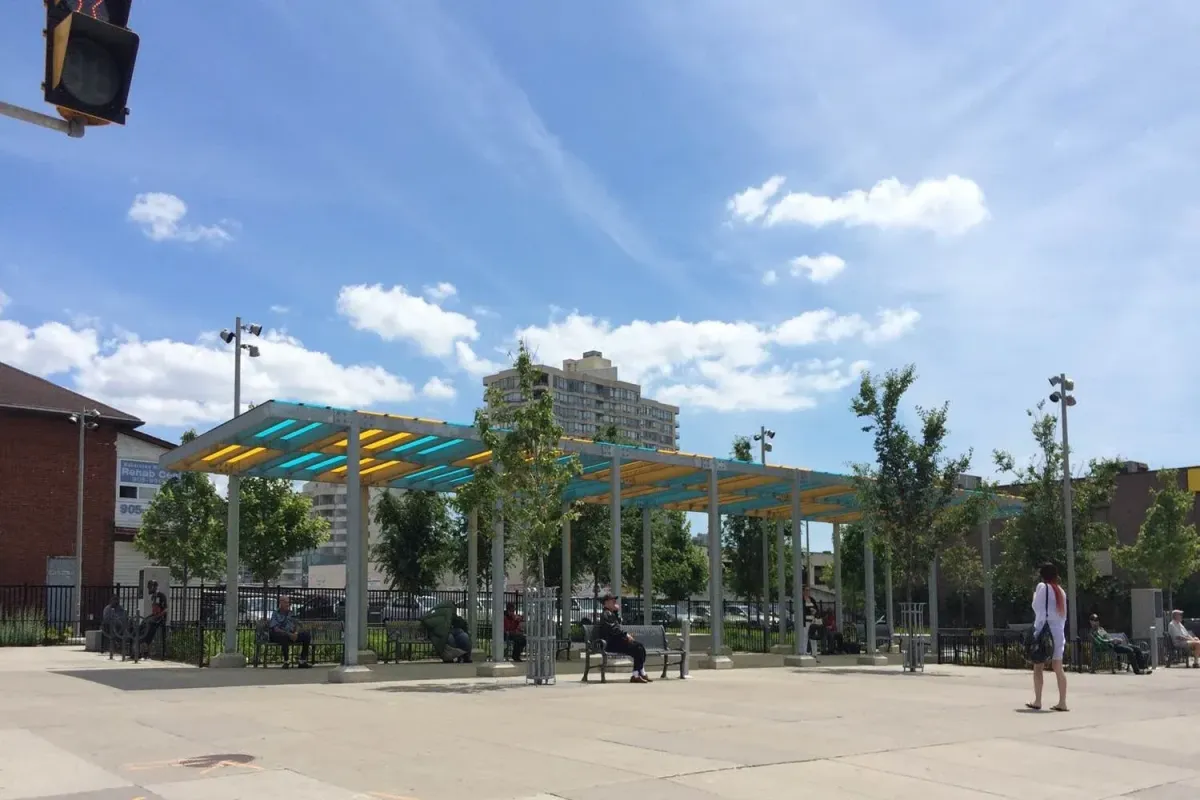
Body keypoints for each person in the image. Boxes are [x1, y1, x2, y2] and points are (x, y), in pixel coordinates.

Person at [1027, 564, 1068, 712]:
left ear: (1042, 575)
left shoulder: (1042, 587)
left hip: (1044, 630)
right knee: (1058, 667)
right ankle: (1062, 702)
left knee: (1038, 665)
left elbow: (1036, 607)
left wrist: (1034, 596)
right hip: (1058, 631)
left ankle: (1038, 700)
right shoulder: (1061, 592)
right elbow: (1063, 615)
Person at [597, 593, 650, 683]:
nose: (614, 601)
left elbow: (617, 626)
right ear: (606, 603)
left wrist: (616, 612)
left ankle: (640, 673)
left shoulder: (611, 613)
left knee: (639, 647)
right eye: (612, 600)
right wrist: (626, 635)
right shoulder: (605, 614)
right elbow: (613, 629)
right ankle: (637, 675)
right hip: (610, 644)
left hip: (617, 642)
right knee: (638, 648)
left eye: (614, 600)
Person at [268, 595, 312, 668]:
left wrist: (296, 633)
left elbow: (298, 624)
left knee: (306, 636)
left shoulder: (291, 613)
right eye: (285, 602)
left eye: (288, 603)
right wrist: (289, 634)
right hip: (279, 635)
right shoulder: (275, 613)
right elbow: (275, 628)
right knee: (284, 637)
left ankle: (302, 661)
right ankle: (286, 661)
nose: (287, 604)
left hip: (292, 634)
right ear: (280, 603)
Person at [140, 580, 168, 657]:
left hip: (160, 617)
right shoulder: (153, 597)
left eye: (150, 587)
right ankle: (141, 643)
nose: (149, 589)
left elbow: (165, 609)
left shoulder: (161, 595)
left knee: (150, 623)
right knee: (143, 622)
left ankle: (147, 646)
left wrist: (158, 616)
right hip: (154, 615)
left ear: (154, 587)